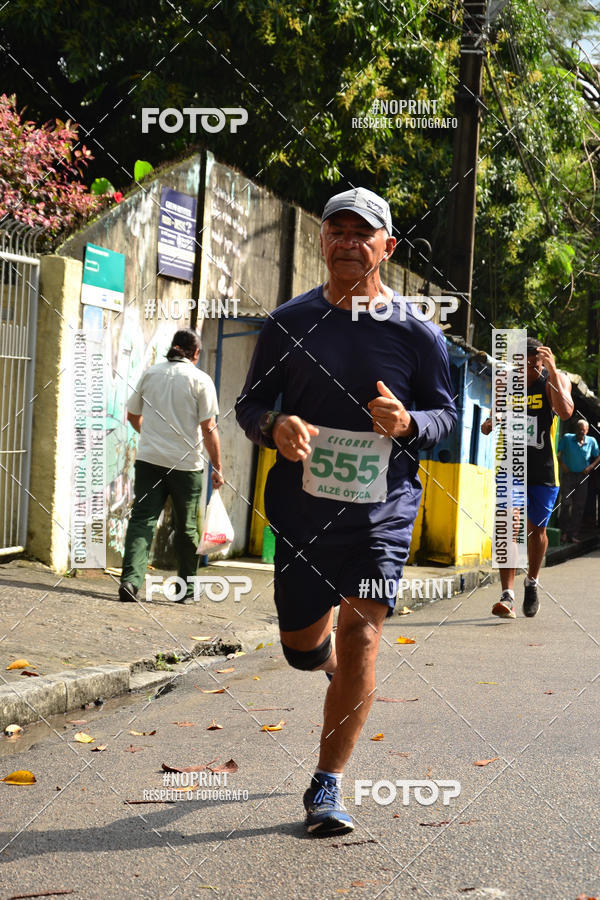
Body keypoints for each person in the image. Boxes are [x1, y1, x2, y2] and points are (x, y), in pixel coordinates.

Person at [235, 187, 456, 835]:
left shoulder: (418, 334)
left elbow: (445, 415)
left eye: (366, 234)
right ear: (321, 240)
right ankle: (321, 659)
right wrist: (274, 427)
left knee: (363, 632)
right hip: (301, 512)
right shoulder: (287, 324)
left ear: (388, 247)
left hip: (380, 512)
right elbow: (250, 406)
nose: (350, 243)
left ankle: (326, 786)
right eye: (338, 230)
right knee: (302, 648)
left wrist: (410, 421)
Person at [119, 328, 224, 604]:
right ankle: (186, 591)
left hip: (149, 461)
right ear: (196, 353)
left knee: (142, 520)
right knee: (187, 527)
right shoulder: (200, 380)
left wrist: (152, 438)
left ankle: (130, 582)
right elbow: (209, 427)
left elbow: (132, 415)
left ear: (174, 348)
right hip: (186, 467)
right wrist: (218, 466)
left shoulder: (152, 373)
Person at [481, 337, 573, 619]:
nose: (530, 369)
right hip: (512, 466)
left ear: (542, 361)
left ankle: (531, 581)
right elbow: (494, 417)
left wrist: (554, 371)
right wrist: (491, 420)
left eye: (536, 363)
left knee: (537, 532)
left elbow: (565, 411)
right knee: (510, 523)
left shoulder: (553, 379)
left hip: (544, 470)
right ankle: (507, 595)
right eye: (525, 364)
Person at [558, 419, 600, 542]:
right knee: (565, 503)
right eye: (579, 429)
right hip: (568, 475)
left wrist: (591, 467)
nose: (581, 431)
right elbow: (558, 453)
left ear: (587, 430)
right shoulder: (567, 438)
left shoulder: (591, 441)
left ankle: (573, 534)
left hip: (582, 477)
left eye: (584, 429)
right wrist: (562, 465)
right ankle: (563, 532)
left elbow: (598, 456)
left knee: (579, 506)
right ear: (576, 429)